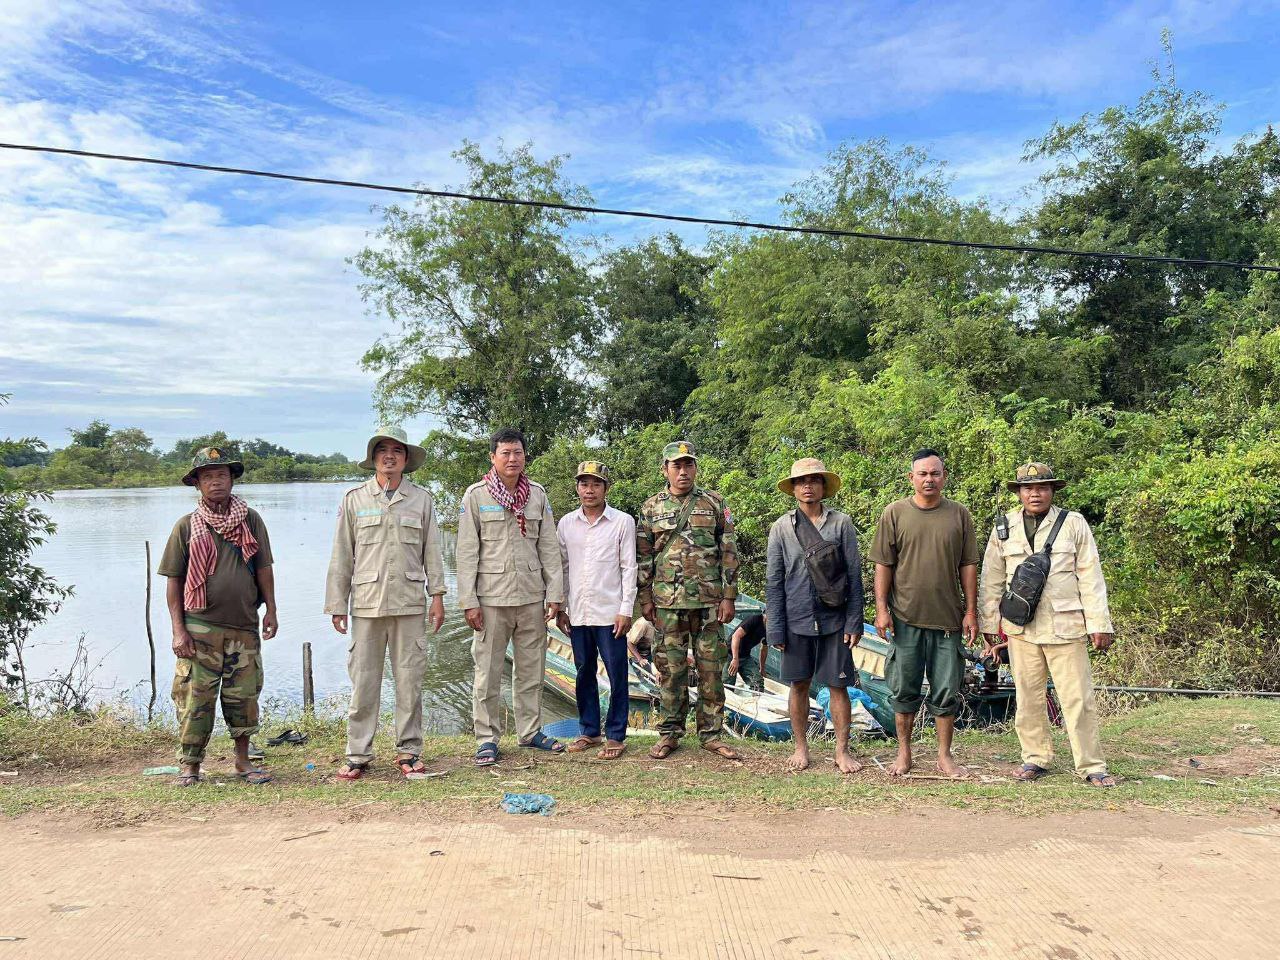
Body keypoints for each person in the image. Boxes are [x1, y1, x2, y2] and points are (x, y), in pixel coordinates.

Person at [979, 461, 1118, 787]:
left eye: (1042, 487)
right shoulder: (1004, 526)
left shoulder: (1074, 524)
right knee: (1027, 698)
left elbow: (1090, 575)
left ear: (1052, 490)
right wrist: (989, 622)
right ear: (1020, 493)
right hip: (1021, 629)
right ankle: (1035, 758)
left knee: (1077, 699)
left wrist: (1100, 622)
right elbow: (992, 577)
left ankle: (1091, 764)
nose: (1035, 493)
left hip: (1066, 626)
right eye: (1028, 488)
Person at [325, 426, 447, 781]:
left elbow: (433, 553)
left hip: (410, 604)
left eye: (397, 450)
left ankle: (408, 750)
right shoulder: (354, 499)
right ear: (374, 458)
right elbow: (341, 555)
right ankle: (358, 754)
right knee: (363, 682)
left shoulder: (422, 500)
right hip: (366, 605)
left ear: (406, 459)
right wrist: (337, 603)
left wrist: (437, 596)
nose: (389, 456)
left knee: (410, 681)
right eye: (382, 451)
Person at [159, 447, 277, 787]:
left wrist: (271, 609)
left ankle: (243, 762)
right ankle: (190, 766)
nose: (216, 482)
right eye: (208, 476)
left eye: (222, 475)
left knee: (243, 698)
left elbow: (264, 568)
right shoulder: (186, 527)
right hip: (199, 629)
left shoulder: (250, 520)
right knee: (195, 699)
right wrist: (178, 630)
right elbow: (174, 583)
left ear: (232, 479)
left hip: (244, 626)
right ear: (197, 483)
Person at [456, 428, 564, 766]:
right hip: (490, 600)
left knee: (532, 671)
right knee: (486, 673)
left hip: (531, 597)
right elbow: (465, 553)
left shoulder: (537, 496)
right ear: (493, 457)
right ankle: (487, 738)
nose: (512, 459)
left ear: (524, 456)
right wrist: (468, 601)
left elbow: (549, 547)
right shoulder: (475, 496)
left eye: (517, 452)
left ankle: (530, 732)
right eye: (505, 453)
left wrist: (555, 594)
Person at [868, 448, 979, 778]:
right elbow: (883, 564)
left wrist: (971, 611)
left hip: (948, 620)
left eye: (935, 473)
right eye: (923, 474)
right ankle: (904, 753)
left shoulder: (959, 515)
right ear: (912, 478)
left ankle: (944, 756)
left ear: (944, 477)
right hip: (905, 618)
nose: (929, 479)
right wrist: (882, 609)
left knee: (946, 691)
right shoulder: (895, 513)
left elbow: (968, 565)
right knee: (904, 690)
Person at [636, 440, 742, 761]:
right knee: (671, 670)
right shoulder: (650, 508)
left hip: (709, 604)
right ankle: (669, 733)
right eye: (676, 465)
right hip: (667, 604)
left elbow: (729, 552)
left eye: (689, 464)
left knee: (711, 668)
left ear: (695, 467)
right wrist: (645, 600)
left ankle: (711, 734)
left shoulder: (714, 503)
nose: (683, 471)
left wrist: (729, 596)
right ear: (665, 469)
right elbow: (643, 559)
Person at [765, 458, 865, 774]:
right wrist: (776, 629)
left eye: (814, 481)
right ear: (794, 489)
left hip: (834, 618)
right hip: (796, 617)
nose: (807, 487)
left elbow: (853, 574)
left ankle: (841, 751)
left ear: (823, 486)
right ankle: (800, 748)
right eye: (801, 482)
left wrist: (854, 620)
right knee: (798, 684)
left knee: (839, 685)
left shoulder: (841, 524)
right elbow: (774, 580)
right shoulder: (781, 528)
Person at [556, 460, 637, 760]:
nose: (589, 490)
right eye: (584, 484)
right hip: (578, 612)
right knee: (583, 671)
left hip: (610, 613)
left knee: (617, 673)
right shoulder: (566, 523)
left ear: (606, 488)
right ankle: (589, 730)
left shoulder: (622, 522)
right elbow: (562, 568)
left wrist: (626, 609)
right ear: (577, 487)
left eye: (596, 484)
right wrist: (561, 606)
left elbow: (629, 567)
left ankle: (616, 734)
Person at [726, 612, 767, 692]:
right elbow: (736, 636)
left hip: (745, 656)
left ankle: (755, 701)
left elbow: (764, 649)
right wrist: (735, 659)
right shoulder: (754, 619)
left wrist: (762, 668)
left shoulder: (771, 629)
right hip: (730, 654)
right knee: (728, 685)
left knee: (757, 683)